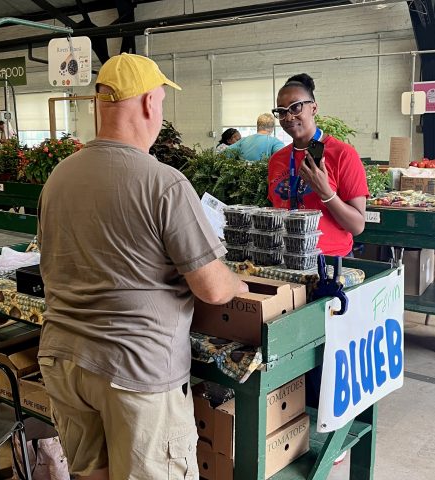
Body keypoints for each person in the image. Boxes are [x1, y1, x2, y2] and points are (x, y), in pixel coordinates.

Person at [37, 53, 248, 480]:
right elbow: (211, 288)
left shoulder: (59, 176)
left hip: (64, 359)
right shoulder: (163, 182)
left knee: (91, 474)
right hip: (135, 371)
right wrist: (235, 280)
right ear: (151, 103)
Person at [268, 73, 369, 410]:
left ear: (314, 108)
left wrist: (327, 193)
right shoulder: (278, 161)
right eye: (281, 111)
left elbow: (357, 225)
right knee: (289, 356)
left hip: (328, 270)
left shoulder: (342, 155)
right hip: (287, 269)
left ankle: (329, 430)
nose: (289, 116)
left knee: (325, 360)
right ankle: (292, 427)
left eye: (296, 107)